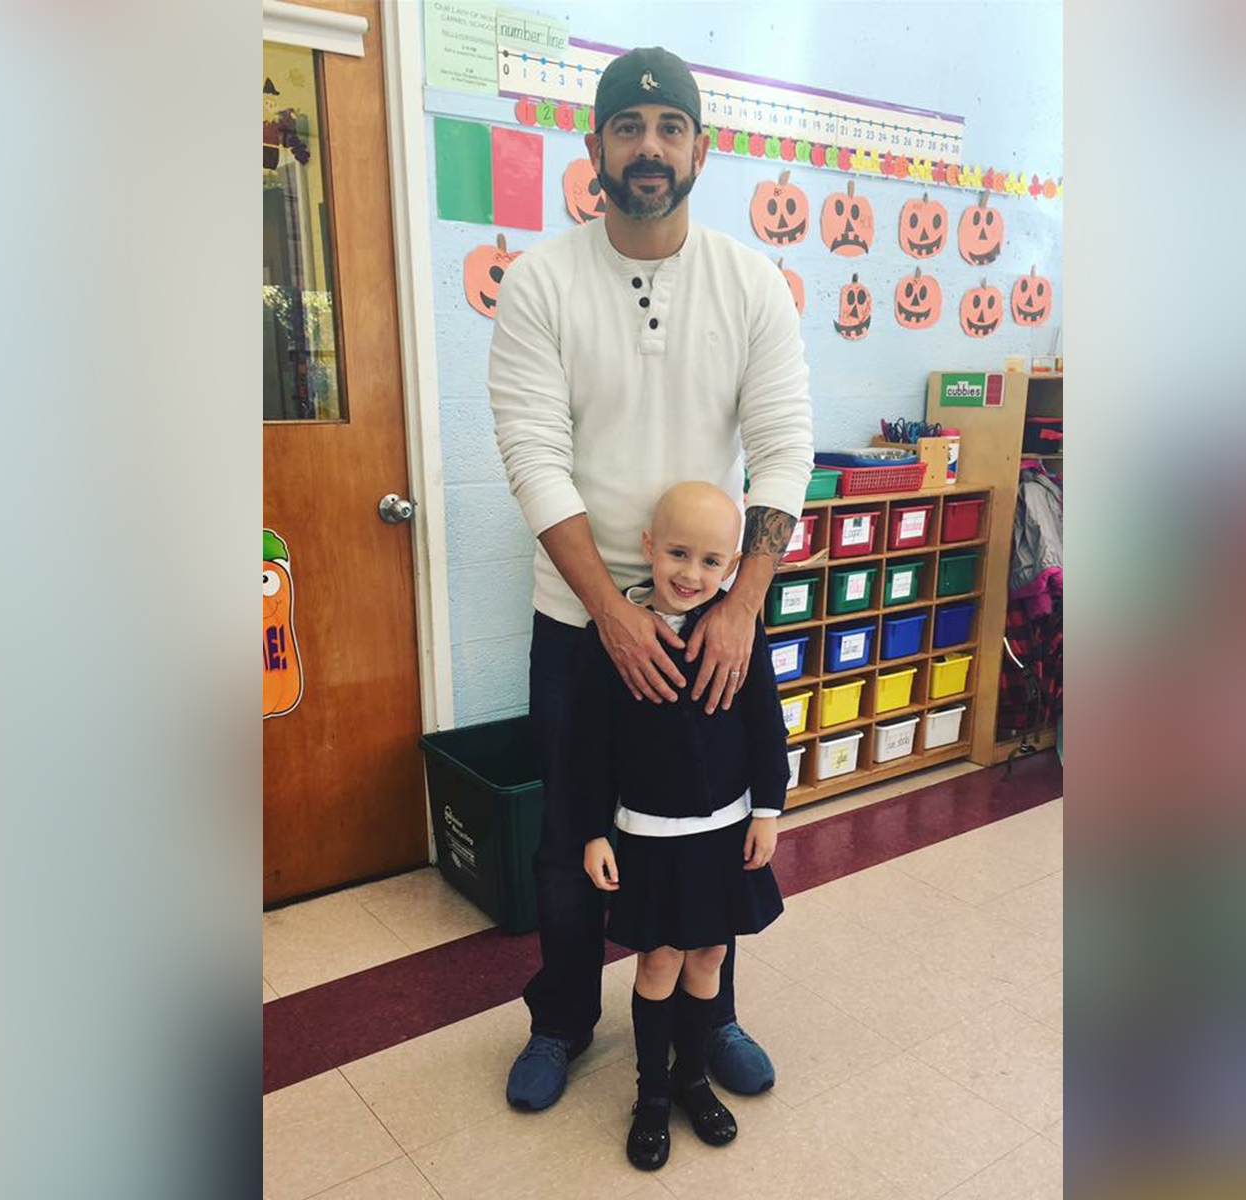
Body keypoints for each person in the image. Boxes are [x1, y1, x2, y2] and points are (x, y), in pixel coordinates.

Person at [486, 44, 815, 1113]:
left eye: (669, 128)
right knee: (578, 831)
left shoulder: (749, 282)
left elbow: (783, 445)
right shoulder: (541, 284)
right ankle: (563, 1020)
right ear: (594, 151)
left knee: (713, 822)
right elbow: (533, 456)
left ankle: (707, 1020)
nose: (648, 147)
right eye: (627, 129)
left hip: (712, 609)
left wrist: (741, 608)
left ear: (700, 150)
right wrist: (610, 616)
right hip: (582, 619)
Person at [574, 483, 786, 1169]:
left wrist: (767, 811)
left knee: (710, 957)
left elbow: (766, 731)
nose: (691, 574)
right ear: (647, 548)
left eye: (710, 561)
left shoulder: (740, 631)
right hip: (646, 838)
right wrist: (594, 831)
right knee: (659, 960)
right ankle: (653, 1094)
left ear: (732, 568)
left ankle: (693, 1076)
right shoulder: (609, 641)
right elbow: (589, 747)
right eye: (676, 554)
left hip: (725, 836)